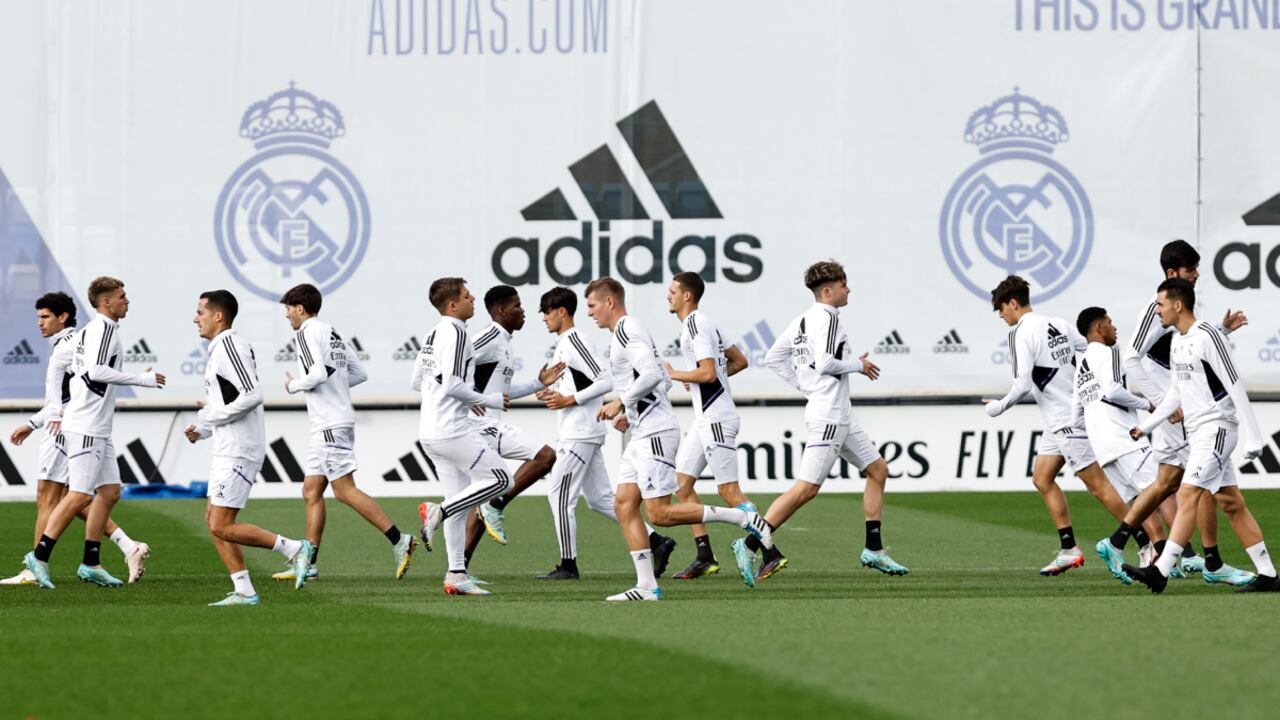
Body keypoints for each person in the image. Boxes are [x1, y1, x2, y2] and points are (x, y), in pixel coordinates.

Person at [585, 277, 771, 601]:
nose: (590, 313)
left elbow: (656, 374)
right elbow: (661, 381)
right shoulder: (623, 333)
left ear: (610, 302)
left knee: (659, 514)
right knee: (624, 503)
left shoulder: (629, 329)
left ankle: (740, 516)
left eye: (592, 305)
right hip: (642, 431)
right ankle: (646, 587)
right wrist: (630, 410)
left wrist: (620, 400)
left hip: (656, 434)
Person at [1106, 240, 1254, 585]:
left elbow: (1193, 342)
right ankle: (1200, 562)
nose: (1198, 274)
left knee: (1173, 483)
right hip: (1183, 414)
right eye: (1191, 270)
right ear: (1173, 274)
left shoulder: (1180, 314)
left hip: (1184, 410)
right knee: (1196, 488)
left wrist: (1222, 330)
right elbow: (1131, 357)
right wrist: (1160, 404)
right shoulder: (1159, 308)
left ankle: (1121, 542)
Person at [754, 260, 907, 587]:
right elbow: (824, 363)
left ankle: (874, 549)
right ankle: (752, 541)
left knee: (878, 470)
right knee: (806, 489)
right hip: (828, 415)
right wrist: (858, 364)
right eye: (843, 285)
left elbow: (772, 358)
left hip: (839, 413)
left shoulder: (801, 320)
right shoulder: (829, 317)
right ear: (828, 291)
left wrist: (804, 385)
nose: (848, 289)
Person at [1125, 278, 1277, 593]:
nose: (1157, 310)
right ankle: (1269, 575)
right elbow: (1176, 392)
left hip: (1218, 428)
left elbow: (1234, 384)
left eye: (1161, 304)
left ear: (1177, 304)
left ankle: (1161, 571)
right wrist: (1148, 425)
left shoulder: (1208, 336)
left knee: (1187, 494)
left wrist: (1255, 437)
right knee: (1231, 502)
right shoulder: (1178, 340)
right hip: (1199, 432)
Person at [22, 277, 165, 589]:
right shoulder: (101, 330)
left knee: (110, 492)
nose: (127, 301)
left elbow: (63, 360)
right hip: (85, 426)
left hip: (97, 426)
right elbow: (95, 371)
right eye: (122, 297)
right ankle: (39, 556)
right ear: (106, 303)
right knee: (79, 494)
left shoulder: (93, 330)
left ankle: (91, 562)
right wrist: (144, 379)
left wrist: (58, 403)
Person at [984, 275, 1131, 576]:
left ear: (1013, 303)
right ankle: (1069, 549)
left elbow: (1023, 384)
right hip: (1061, 419)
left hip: (1066, 420)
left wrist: (998, 407)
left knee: (1099, 487)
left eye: (1001, 309)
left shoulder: (1021, 333)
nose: (1000, 316)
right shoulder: (1057, 323)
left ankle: (1147, 543)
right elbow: (1091, 347)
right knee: (1042, 477)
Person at [272, 283, 416, 583]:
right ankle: (309, 563)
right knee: (311, 491)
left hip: (328, 424)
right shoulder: (331, 331)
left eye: (288, 308)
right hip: (330, 423)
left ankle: (399, 539)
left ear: (300, 308)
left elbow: (316, 375)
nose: (286, 314)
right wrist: (334, 389)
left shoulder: (306, 332)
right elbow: (358, 374)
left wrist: (292, 386)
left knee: (344, 490)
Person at [184, 290, 311, 604]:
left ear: (218, 316)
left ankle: (294, 548)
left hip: (240, 450)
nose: (195, 318)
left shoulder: (229, 346)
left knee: (221, 524)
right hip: (227, 447)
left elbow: (252, 395)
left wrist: (211, 415)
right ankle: (244, 589)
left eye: (200, 312)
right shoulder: (219, 350)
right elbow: (229, 402)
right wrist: (202, 429)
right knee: (214, 520)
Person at [534, 286, 663, 580]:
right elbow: (581, 384)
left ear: (561, 312)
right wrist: (555, 393)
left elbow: (603, 381)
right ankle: (657, 541)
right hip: (581, 430)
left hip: (579, 433)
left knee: (559, 496)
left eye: (546, 311)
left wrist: (569, 400)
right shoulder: (566, 342)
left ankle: (568, 565)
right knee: (601, 499)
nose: (543, 318)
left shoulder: (575, 340)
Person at [663, 271, 785, 580]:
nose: (669, 295)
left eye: (673, 291)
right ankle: (704, 556)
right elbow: (739, 361)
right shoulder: (707, 323)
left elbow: (707, 374)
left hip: (716, 419)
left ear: (687, 296)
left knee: (729, 491)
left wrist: (677, 374)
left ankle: (770, 552)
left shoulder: (694, 324)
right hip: (707, 418)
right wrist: (703, 381)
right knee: (682, 484)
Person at [414, 278, 517, 596]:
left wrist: (460, 397)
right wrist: (484, 400)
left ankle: (456, 574)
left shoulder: (434, 333)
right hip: (451, 429)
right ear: (452, 305)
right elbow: (452, 385)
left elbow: (418, 380)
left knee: (460, 503)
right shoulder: (458, 333)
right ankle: (438, 511)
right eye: (467, 295)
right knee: (502, 481)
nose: (473, 299)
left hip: (429, 430)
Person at [459, 285, 562, 580]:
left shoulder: (504, 341)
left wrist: (538, 383)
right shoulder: (489, 337)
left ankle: (459, 569)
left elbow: (502, 392)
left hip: (486, 423)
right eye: (518, 305)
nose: (524, 310)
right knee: (545, 456)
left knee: (482, 494)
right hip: (479, 425)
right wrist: (469, 398)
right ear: (502, 310)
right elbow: (450, 369)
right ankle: (497, 502)